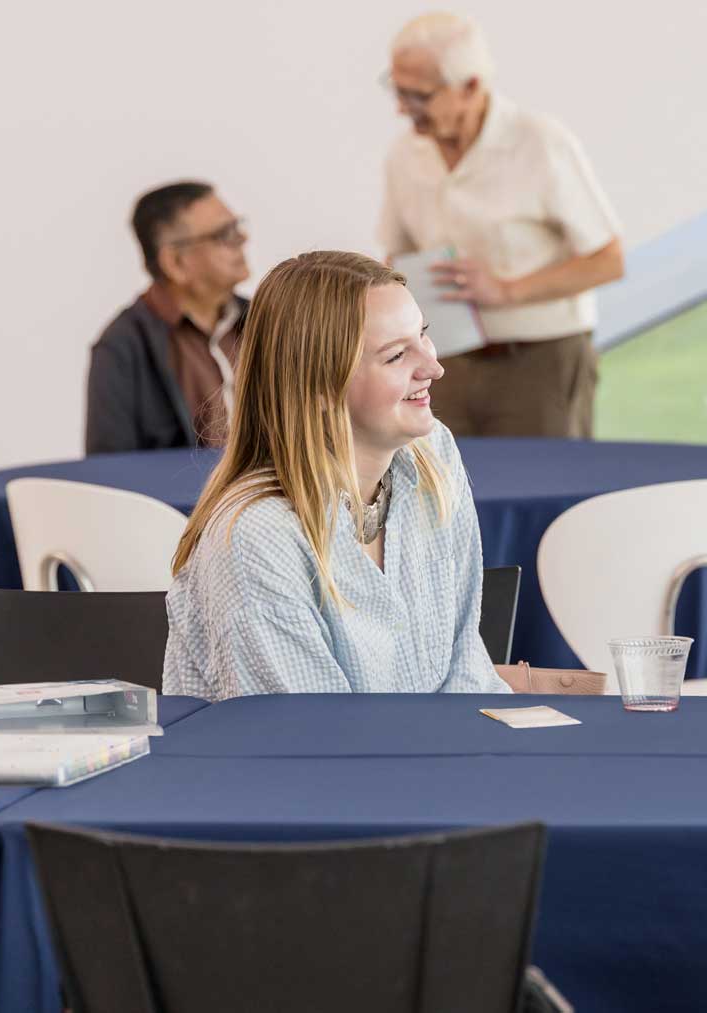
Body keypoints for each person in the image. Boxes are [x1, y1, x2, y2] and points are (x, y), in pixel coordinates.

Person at [162, 251, 511, 699]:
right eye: (396, 355)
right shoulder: (258, 537)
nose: (433, 367)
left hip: (434, 758)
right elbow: (314, 740)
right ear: (321, 387)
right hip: (323, 766)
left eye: (423, 335)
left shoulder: (431, 452)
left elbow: (466, 660)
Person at [377, 13, 624, 438]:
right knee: (445, 495)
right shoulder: (404, 155)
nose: (402, 108)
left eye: (418, 95)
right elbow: (393, 261)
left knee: (546, 487)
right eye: (398, 91)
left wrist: (507, 291)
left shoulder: (541, 143)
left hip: (539, 364)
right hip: (442, 365)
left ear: (470, 86)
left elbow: (608, 261)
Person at [86, 181, 252, 454]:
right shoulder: (122, 347)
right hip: (182, 498)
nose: (242, 240)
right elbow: (109, 473)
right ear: (175, 263)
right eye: (225, 233)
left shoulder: (267, 321)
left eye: (237, 226)